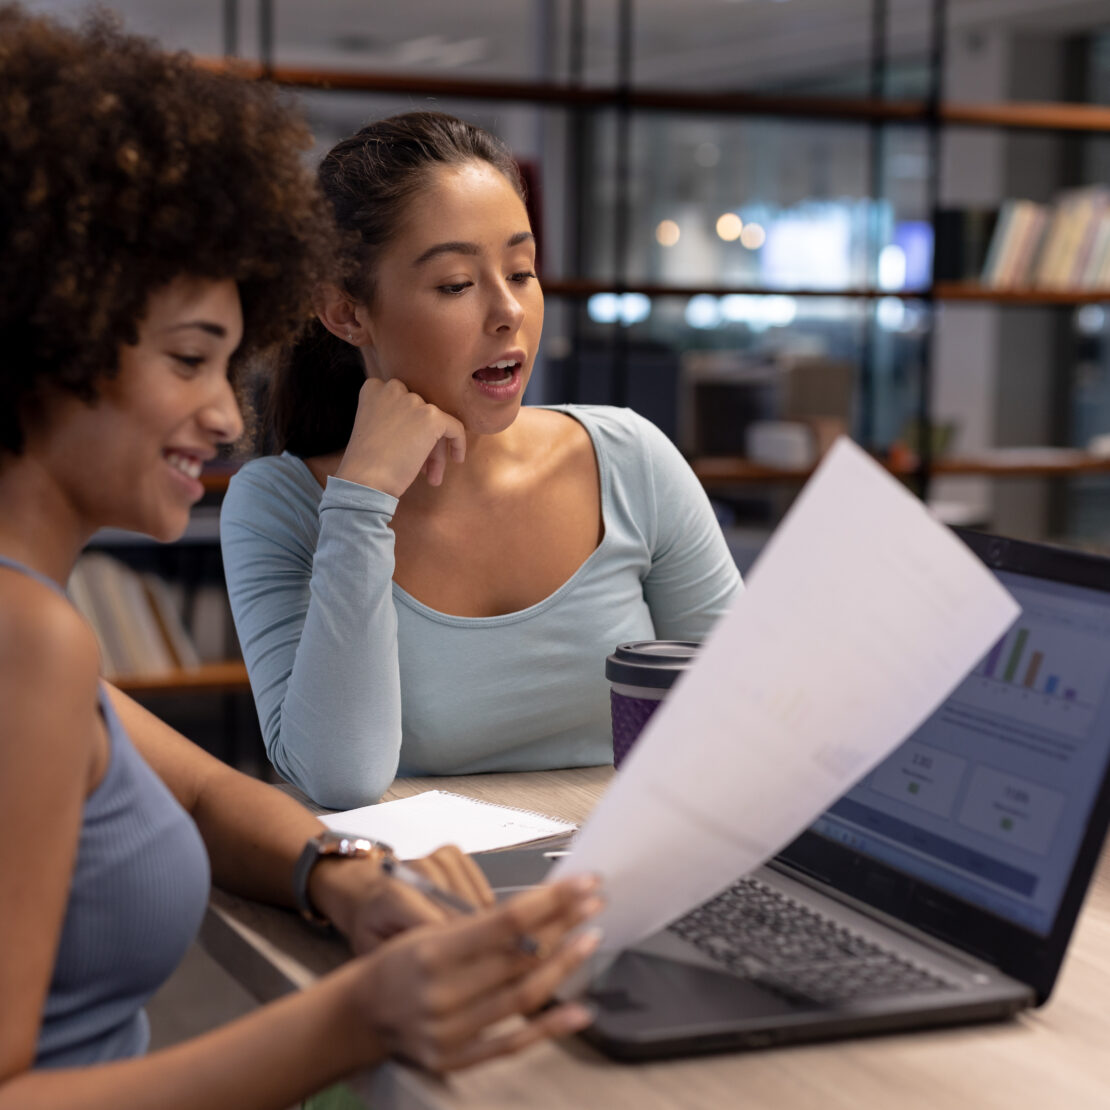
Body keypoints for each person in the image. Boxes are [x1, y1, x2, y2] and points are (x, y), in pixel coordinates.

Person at [0, 9, 602, 1106]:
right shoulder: (21, 641)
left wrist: (344, 879)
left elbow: (204, 796)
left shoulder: (39, 633)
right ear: (44, 340)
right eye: (190, 360)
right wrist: (357, 1017)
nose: (226, 420)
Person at [220, 110, 744, 811]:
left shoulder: (629, 459)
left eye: (522, 271)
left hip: (623, 877)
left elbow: (746, 713)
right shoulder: (279, 505)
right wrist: (363, 498)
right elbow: (339, 775)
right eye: (457, 285)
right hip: (429, 902)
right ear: (347, 314)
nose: (508, 313)